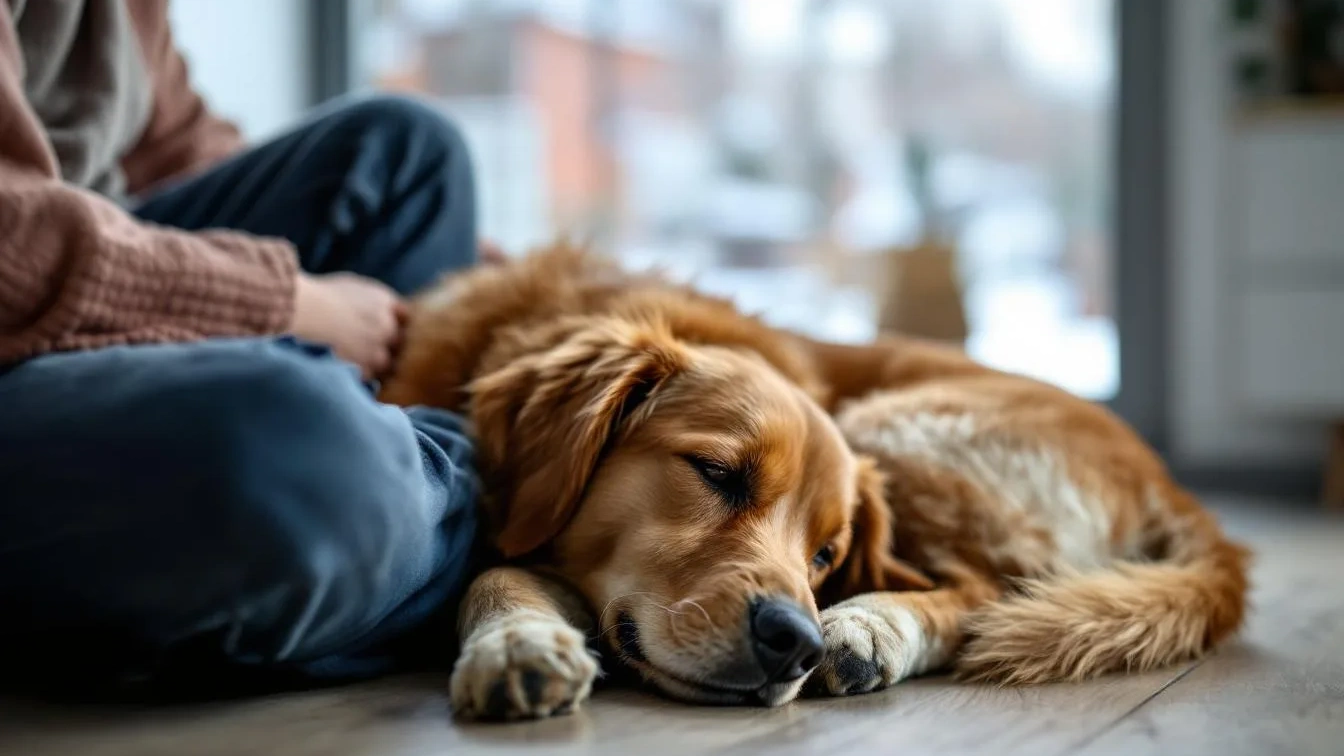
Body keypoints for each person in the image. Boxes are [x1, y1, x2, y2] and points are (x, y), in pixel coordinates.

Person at [0, 1, 482, 692]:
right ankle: (434, 510)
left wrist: (492, 286)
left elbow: (177, 153)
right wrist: (285, 303)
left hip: (79, 301)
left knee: (409, 157)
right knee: (288, 443)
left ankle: (387, 536)